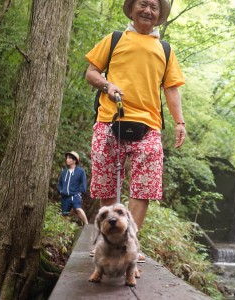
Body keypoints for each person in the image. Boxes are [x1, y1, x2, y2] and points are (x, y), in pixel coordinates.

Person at [84, 0, 186, 247]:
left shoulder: (165, 49)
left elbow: (171, 88)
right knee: (105, 186)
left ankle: (129, 243)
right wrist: (107, 85)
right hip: (109, 119)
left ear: (159, 15)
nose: (148, 10)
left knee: (144, 188)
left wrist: (179, 122)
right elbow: (91, 72)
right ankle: (108, 242)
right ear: (131, 9)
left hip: (149, 125)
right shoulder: (115, 39)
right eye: (143, 4)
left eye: (154, 7)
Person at [58, 151, 89, 225]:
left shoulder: (81, 171)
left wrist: (79, 193)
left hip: (75, 195)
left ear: (74, 161)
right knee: (65, 215)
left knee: (78, 209)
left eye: (69, 158)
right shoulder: (64, 172)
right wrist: (61, 191)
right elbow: (59, 183)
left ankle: (87, 225)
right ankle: (65, 234)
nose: (67, 160)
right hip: (64, 197)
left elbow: (83, 184)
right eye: (67, 158)